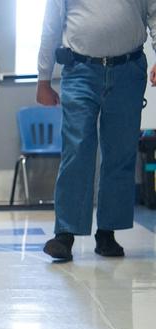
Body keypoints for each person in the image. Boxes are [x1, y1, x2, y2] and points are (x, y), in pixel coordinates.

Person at [37, 0, 156, 261]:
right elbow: (51, 25)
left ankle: (107, 233)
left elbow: (154, 12)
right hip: (79, 69)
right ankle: (65, 234)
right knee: (77, 150)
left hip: (128, 70)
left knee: (120, 153)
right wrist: (43, 77)